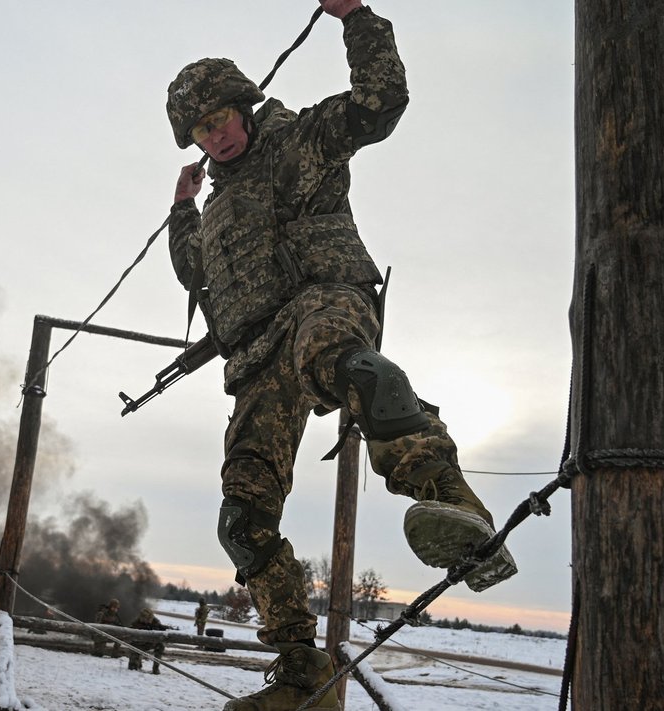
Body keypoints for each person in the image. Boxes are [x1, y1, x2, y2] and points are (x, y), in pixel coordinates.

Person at [164, 1, 517, 708]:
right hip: (257, 362)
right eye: (201, 129)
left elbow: (381, 102)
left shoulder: (299, 142)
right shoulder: (215, 205)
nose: (216, 135)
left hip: (318, 304)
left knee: (352, 367)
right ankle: (301, 674)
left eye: (221, 117)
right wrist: (183, 207)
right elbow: (192, 270)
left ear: (243, 104)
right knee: (242, 518)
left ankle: (455, 506)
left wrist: (355, 17)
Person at [126, 607, 172, 675]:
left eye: (146, 617)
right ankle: (137, 663)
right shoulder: (136, 622)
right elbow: (130, 633)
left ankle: (155, 668)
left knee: (160, 646)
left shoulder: (155, 622)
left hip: (151, 643)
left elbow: (159, 633)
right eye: (143, 617)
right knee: (132, 668)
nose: (145, 619)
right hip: (138, 643)